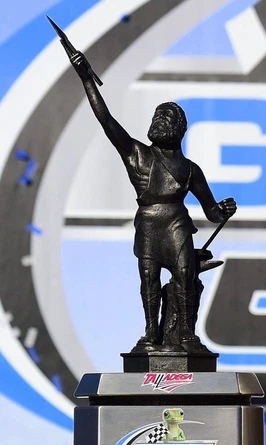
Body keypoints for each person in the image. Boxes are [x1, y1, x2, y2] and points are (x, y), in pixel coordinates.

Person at [67, 52, 235, 353]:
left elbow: (211, 211)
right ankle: (150, 335)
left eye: (166, 118)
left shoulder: (190, 169)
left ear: (179, 129)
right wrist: (86, 78)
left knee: (185, 277)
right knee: (149, 282)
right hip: (148, 225)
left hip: (177, 227)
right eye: (157, 116)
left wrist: (223, 210)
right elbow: (105, 119)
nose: (159, 121)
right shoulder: (138, 155)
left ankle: (186, 334)